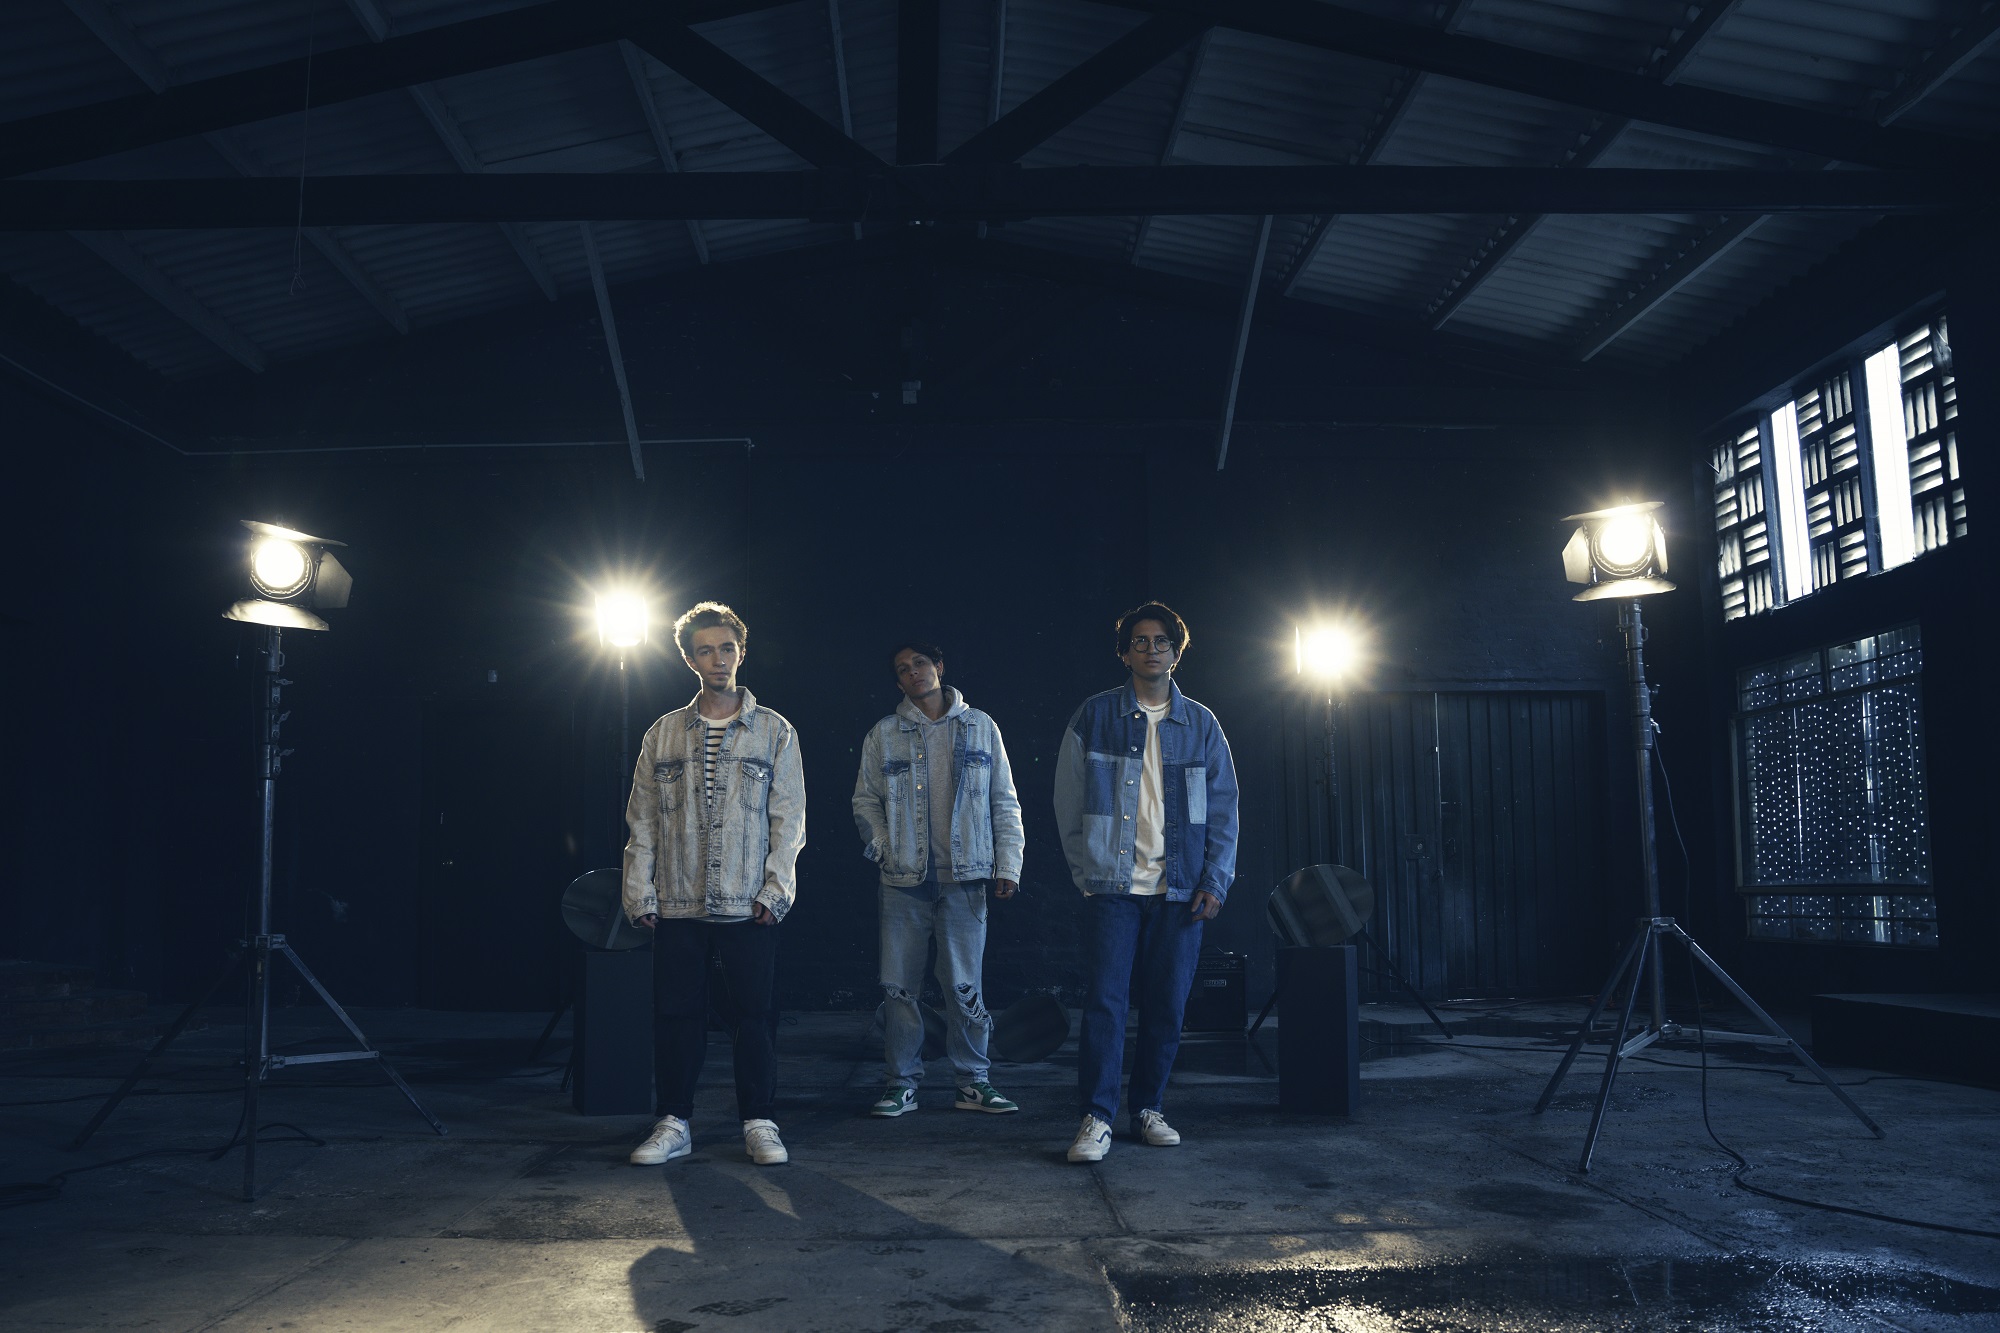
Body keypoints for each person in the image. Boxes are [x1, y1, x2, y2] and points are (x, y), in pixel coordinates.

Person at [1052, 602, 1239, 1163]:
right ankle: (1097, 1117)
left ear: (1176, 652)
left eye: (1161, 641)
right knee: (1106, 1004)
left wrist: (1215, 880)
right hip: (1113, 887)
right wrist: (1087, 874)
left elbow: (1224, 810)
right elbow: (1067, 800)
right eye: (1140, 640)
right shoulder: (1095, 715)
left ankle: (1148, 1108)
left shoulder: (1201, 724)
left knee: (1167, 1004)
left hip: (1180, 889)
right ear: (1124, 652)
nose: (1151, 649)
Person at [624, 601, 806, 1168]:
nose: (718, 659)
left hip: (748, 902)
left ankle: (759, 1122)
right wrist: (639, 892)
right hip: (678, 901)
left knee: (755, 1016)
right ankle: (674, 1122)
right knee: (676, 1015)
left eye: (727, 648)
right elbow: (642, 821)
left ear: (741, 652)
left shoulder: (774, 730)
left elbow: (789, 820)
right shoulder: (663, 733)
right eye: (706, 650)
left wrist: (776, 892)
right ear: (689, 660)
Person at [852, 640, 1026, 1118]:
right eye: (903, 669)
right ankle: (901, 1084)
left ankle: (973, 1083)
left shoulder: (981, 726)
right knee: (899, 989)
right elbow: (865, 800)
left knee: (965, 988)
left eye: (921, 663)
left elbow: (1004, 800)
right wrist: (886, 849)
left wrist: (1008, 865)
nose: (914, 672)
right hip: (902, 882)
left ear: (940, 667)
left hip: (965, 880)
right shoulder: (884, 733)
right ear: (898, 682)